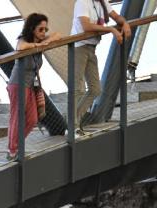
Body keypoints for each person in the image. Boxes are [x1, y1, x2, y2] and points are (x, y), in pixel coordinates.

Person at [71, 0, 131, 132]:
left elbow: (116, 16)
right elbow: (86, 26)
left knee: (95, 89)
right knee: (77, 88)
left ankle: (74, 121)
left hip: (91, 48)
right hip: (79, 47)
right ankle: (73, 126)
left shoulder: (102, 2)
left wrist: (124, 22)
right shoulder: (83, 2)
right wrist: (111, 29)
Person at [8, 15, 62, 156]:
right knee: (17, 116)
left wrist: (45, 40)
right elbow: (21, 47)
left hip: (31, 85)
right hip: (18, 84)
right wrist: (38, 45)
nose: (43, 32)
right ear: (32, 29)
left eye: (45, 29)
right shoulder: (24, 39)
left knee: (33, 118)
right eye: (40, 29)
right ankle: (12, 149)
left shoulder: (40, 39)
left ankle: (17, 145)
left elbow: (57, 35)